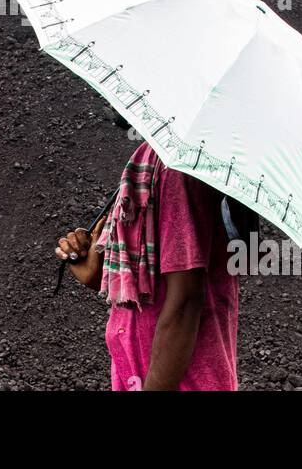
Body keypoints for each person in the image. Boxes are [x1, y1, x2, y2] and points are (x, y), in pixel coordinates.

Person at [55, 141, 244, 390]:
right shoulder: (148, 164)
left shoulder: (175, 171)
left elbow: (186, 300)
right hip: (140, 375)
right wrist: (92, 267)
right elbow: (141, 281)